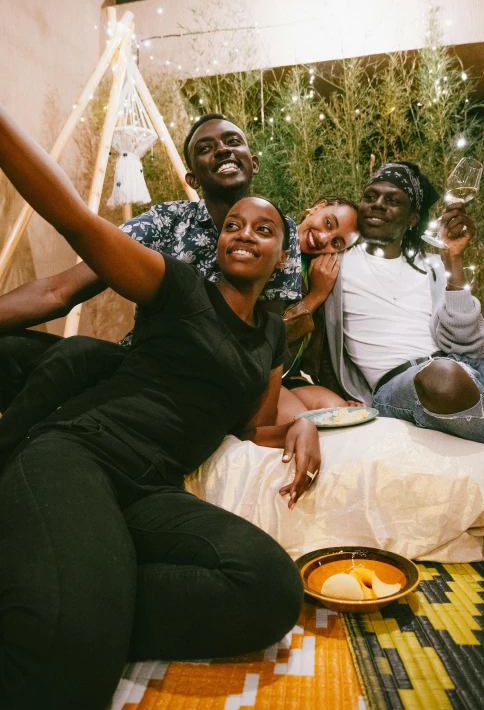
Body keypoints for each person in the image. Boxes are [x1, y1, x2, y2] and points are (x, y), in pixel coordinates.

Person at [0, 105, 318, 710]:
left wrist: (300, 424)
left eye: (264, 229)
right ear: (217, 237)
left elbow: (251, 428)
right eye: (234, 227)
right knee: (64, 681)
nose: (244, 233)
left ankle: (73, 594)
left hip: (152, 489)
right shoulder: (175, 286)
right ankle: (71, 604)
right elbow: (75, 220)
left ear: (283, 259)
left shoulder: (272, 338)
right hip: (79, 454)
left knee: (271, 589)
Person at [0, 113, 301, 412]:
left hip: (206, 387)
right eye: (205, 148)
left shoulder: (281, 235)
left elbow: (264, 344)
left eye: (233, 142)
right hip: (135, 364)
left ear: (254, 162)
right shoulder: (166, 220)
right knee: (22, 352)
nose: (222, 150)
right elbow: (59, 290)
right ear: (192, 178)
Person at [324, 161, 484, 460]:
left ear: (413, 218)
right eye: (370, 196)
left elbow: (468, 344)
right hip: (401, 384)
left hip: (461, 364)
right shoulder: (334, 262)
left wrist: (453, 257)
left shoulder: (430, 265)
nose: (377, 205)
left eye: (393, 201)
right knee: (442, 377)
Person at [277, 197, 363, 422]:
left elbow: (323, 349)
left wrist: (342, 395)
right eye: (328, 223)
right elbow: (267, 338)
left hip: (290, 377)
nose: (324, 238)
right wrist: (316, 295)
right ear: (317, 207)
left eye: (336, 243)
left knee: (340, 412)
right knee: (300, 419)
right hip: (260, 373)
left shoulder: (321, 270)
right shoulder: (274, 246)